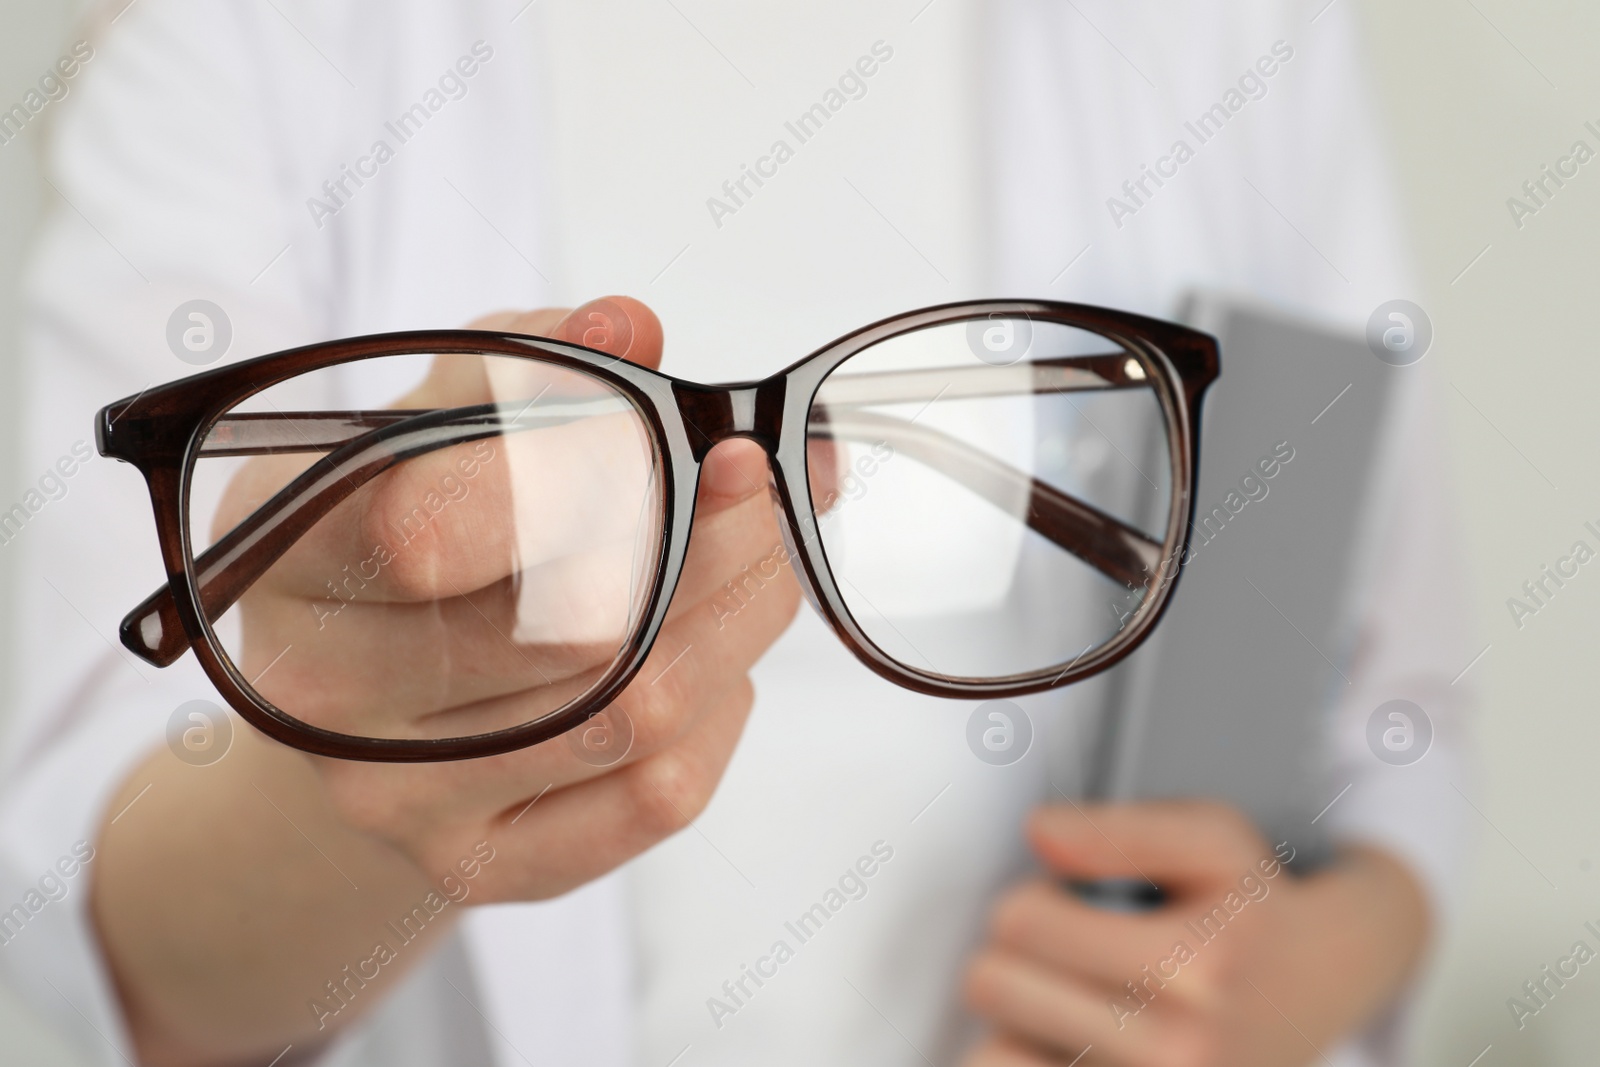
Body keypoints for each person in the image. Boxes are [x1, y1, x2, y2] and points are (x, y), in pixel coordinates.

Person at [0, 2, 1475, 1065]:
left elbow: (1401, 722)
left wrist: (1301, 972)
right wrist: (339, 787)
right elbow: (102, 932)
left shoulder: (1237, 35)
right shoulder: (240, 42)